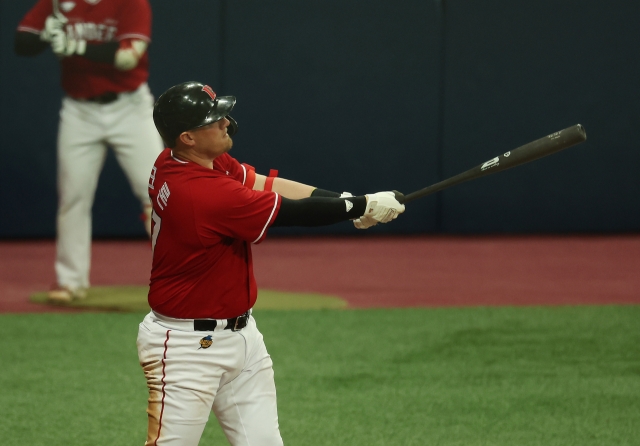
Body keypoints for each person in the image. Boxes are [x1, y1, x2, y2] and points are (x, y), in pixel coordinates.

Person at [136, 81, 405, 445]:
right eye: (214, 120)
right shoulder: (201, 194)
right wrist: (360, 207)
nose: (226, 123)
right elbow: (292, 213)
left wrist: (350, 201)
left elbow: (266, 185)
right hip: (186, 348)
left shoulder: (182, 160)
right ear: (188, 137)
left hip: (242, 338)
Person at [14, 0, 163, 302]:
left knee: (160, 193)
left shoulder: (131, 3)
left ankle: (182, 277)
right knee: (73, 196)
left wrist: (75, 47)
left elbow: (127, 58)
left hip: (130, 107)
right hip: (79, 110)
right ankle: (70, 281)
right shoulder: (57, 3)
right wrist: (46, 36)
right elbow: (22, 43)